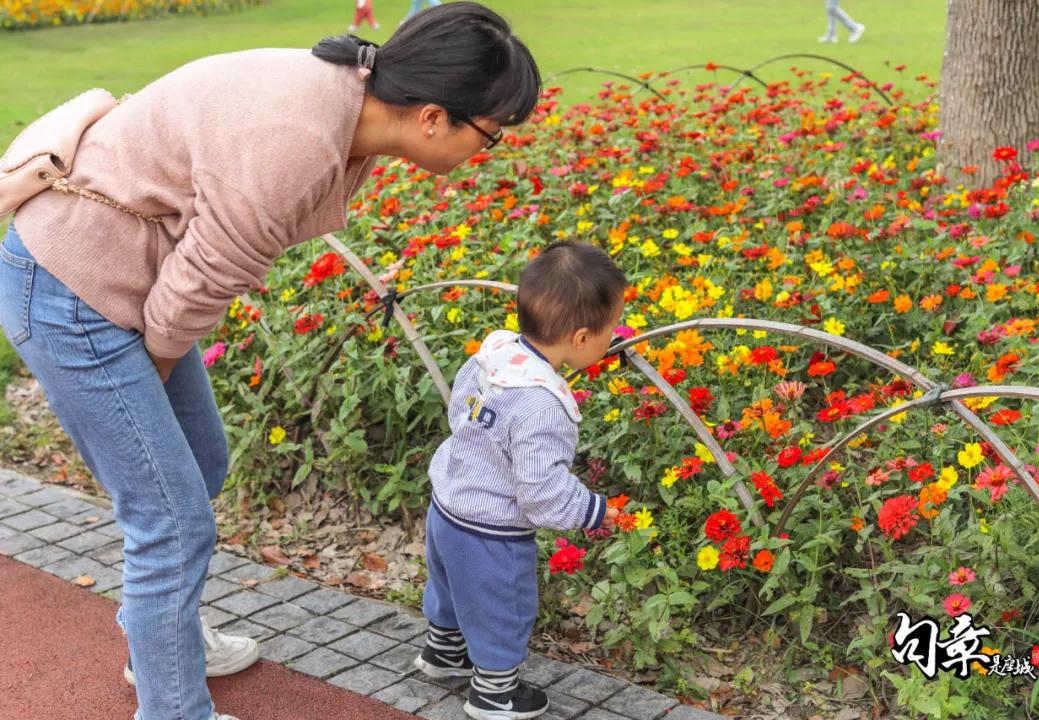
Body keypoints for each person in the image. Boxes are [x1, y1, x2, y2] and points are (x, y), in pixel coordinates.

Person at [0, 4, 539, 720]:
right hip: (72, 288)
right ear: (434, 117)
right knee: (171, 519)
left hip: (123, 277)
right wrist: (153, 371)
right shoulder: (299, 140)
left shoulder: (353, 101)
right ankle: (171, 706)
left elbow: (195, 274)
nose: (489, 152)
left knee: (202, 463)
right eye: (492, 137)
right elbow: (201, 278)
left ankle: (162, 640)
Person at [412, 242, 625, 720]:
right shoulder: (540, 406)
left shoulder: (496, 353)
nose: (613, 341)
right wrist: (593, 510)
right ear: (582, 337)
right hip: (491, 530)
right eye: (611, 332)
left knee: (449, 587)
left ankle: (443, 654)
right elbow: (540, 492)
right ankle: (494, 694)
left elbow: (458, 408)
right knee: (500, 608)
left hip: (447, 503)